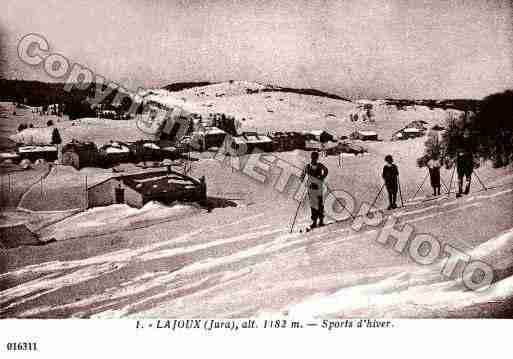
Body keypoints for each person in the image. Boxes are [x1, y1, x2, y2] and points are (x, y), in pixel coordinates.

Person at [301, 151, 329, 229]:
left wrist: (322, 178)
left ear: (317, 158)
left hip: (318, 187)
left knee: (319, 204)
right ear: (311, 158)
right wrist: (304, 180)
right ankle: (314, 221)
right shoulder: (307, 166)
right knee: (313, 205)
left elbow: (326, 170)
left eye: (315, 158)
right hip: (311, 188)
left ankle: (320, 221)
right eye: (313, 157)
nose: (314, 159)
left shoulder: (319, 165)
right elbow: (302, 176)